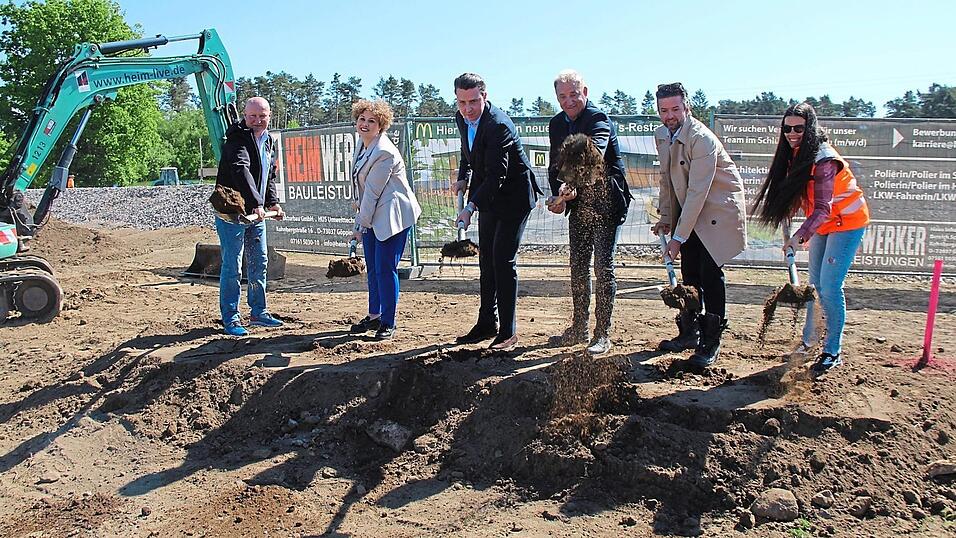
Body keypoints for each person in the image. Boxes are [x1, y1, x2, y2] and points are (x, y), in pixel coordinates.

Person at [752, 102, 869, 373]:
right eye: (787, 128)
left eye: (799, 128)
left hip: (848, 222)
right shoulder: (796, 154)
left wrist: (799, 237)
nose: (792, 133)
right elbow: (803, 196)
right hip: (826, 224)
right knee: (814, 288)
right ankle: (809, 341)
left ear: (811, 127)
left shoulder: (824, 159)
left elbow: (823, 207)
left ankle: (832, 350)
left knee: (829, 287)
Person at [651, 82, 747, 367]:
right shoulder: (662, 135)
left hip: (717, 209)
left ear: (686, 107)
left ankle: (710, 341)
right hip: (691, 210)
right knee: (689, 271)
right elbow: (668, 181)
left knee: (709, 272)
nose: (670, 116)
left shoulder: (701, 138)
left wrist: (678, 237)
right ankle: (689, 332)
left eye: (675, 109)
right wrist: (667, 219)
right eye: (664, 110)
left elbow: (698, 191)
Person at [452, 73, 542, 351]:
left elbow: (497, 176)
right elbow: (469, 152)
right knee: (487, 261)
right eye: (462, 102)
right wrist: (463, 176)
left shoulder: (498, 125)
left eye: (474, 101)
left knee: (503, 261)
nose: (468, 108)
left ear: (485, 96)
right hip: (489, 196)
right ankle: (485, 323)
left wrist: (470, 206)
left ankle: (508, 332)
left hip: (514, 197)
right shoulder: (461, 118)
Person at [546, 69, 631, 355]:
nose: (568, 101)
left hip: (606, 200)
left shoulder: (598, 119)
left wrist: (571, 185)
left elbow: (594, 154)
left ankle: (602, 332)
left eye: (573, 94)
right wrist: (558, 195)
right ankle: (579, 326)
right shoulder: (557, 124)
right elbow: (554, 165)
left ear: (585, 92)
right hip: (579, 203)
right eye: (562, 96)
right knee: (578, 264)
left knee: (603, 266)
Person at [348, 99, 422, 339]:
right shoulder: (362, 145)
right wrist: (361, 219)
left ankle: (388, 322)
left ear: (381, 126)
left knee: (385, 268)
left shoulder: (384, 152)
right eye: (362, 119)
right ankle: (374, 315)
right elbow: (362, 190)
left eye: (372, 121)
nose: (365, 124)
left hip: (393, 217)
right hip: (373, 214)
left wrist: (360, 225)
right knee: (373, 268)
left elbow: (372, 192)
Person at [214, 96, 285, 337]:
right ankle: (231, 318)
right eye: (252, 116)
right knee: (233, 265)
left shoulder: (268, 141)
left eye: (262, 116)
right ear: (244, 116)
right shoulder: (237, 138)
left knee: (259, 262)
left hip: (256, 213)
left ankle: (259, 312)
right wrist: (256, 204)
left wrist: (272, 202)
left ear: (269, 115)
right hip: (232, 210)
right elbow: (240, 169)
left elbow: (268, 175)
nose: (257, 121)